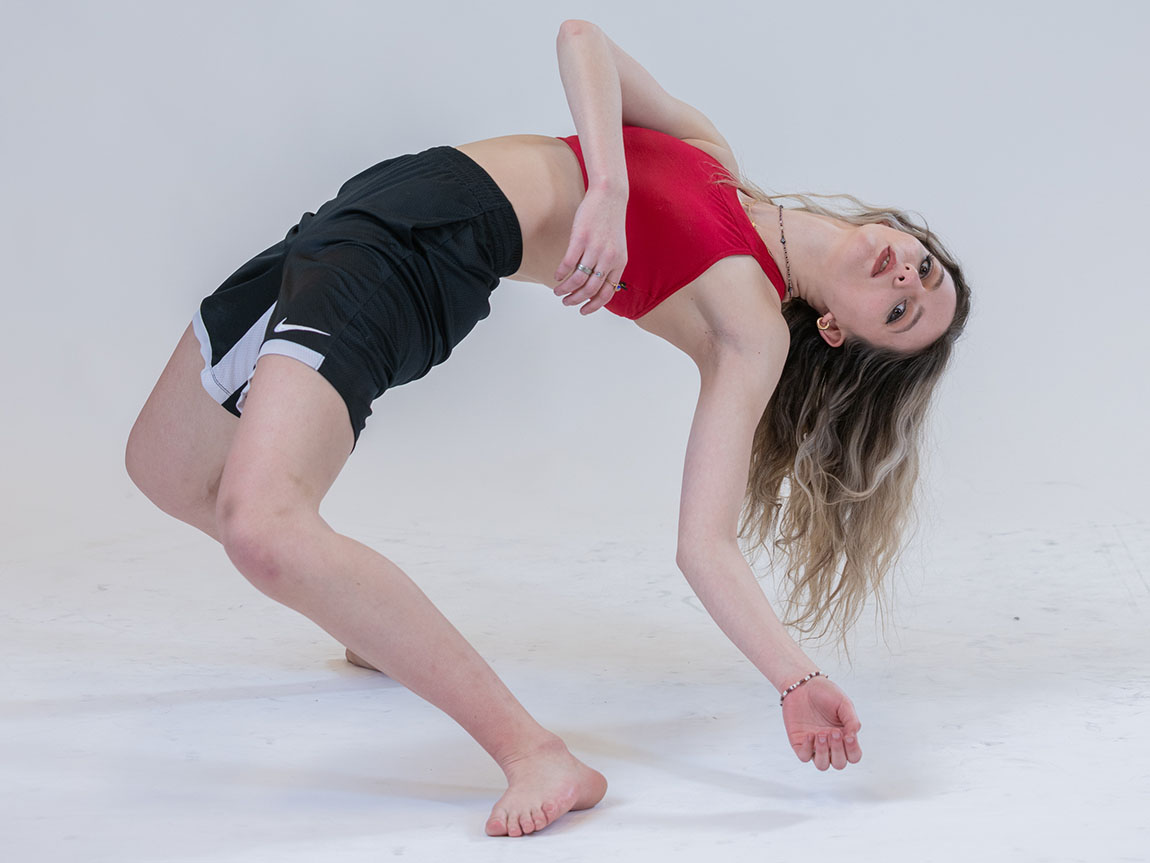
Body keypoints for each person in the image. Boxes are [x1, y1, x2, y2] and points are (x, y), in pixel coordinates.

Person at [125, 19, 970, 838]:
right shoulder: (715, 160)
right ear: (904, 234)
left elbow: (704, 545)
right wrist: (609, 188)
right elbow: (581, 39)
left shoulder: (752, 328)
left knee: (263, 524)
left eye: (900, 312)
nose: (906, 278)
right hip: (368, 210)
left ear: (837, 331)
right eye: (924, 267)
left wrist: (795, 678)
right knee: (165, 466)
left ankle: (537, 754)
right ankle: (370, 628)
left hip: (414, 255)